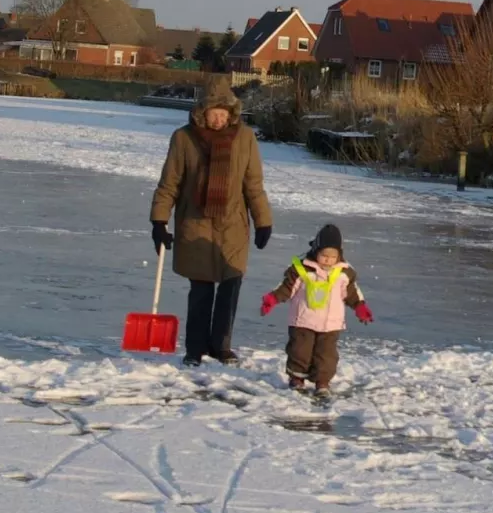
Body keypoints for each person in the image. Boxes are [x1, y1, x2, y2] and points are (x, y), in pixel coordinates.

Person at [150, 79, 272, 367]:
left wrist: (263, 221)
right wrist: (159, 221)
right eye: (213, 113)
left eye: (223, 113)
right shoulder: (184, 138)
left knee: (230, 286)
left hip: (233, 225)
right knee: (201, 290)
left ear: (231, 113)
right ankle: (195, 348)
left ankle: (221, 346)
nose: (218, 119)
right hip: (196, 224)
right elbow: (170, 183)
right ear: (202, 113)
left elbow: (253, 184)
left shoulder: (245, 138)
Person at [260, 223, 372, 398]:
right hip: (303, 320)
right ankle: (297, 379)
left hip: (330, 324)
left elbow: (352, 293)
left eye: (333, 256)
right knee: (300, 351)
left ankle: (322, 382)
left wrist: (360, 307)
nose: (328, 260)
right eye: (324, 255)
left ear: (339, 255)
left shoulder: (344, 273)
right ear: (316, 250)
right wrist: (272, 299)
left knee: (326, 355)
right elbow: (286, 288)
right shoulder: (301, 269)